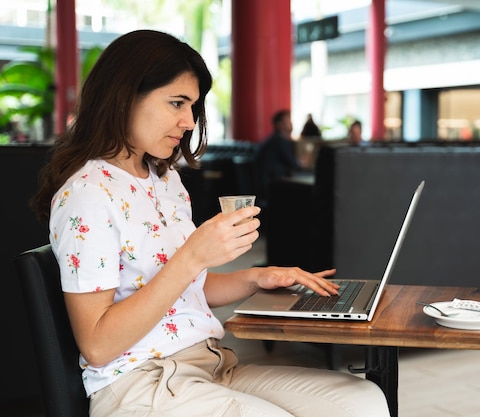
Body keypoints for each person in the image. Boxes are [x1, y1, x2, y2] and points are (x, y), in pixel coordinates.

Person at [30, 30, 390, 417]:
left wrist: (257, 277)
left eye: (193, 106)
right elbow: (97, 344)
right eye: (176, 103)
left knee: (363, 401)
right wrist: (192, 256)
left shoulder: (164, 179)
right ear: (124, 96)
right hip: (140, 383)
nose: (188, 120)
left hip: (210, 365)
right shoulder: (87, 195)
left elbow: (188, 287)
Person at [255, 109, 305, 201]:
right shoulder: (280, 141)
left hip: (266, 185)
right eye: (287, 121)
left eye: (290, 121)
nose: (290, 124)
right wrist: (302, 163)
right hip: (271, 186)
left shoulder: (274, 140)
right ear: (278, 125)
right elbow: (294, 164)